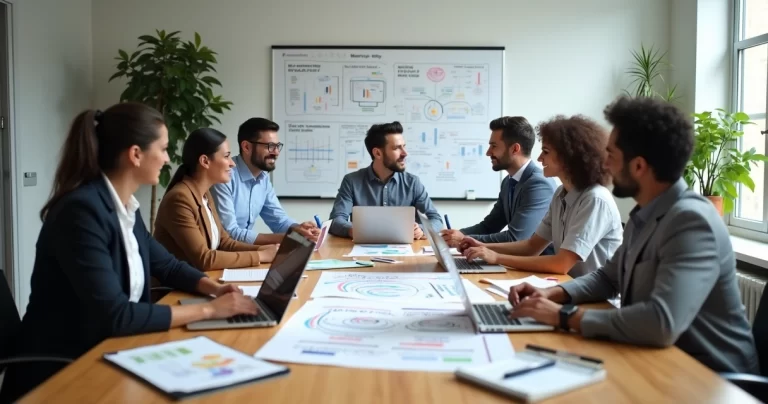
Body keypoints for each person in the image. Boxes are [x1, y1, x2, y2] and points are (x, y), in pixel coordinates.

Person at [0, 103, 261, 403]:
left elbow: (170, 266)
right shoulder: (82, 212)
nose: (167, 158)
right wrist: (210, 311)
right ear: (135, 154)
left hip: (110, 351)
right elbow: (117, 316)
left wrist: (214, 288)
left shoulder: (126, 208)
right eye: (162, 149)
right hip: (63, 371)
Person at [507, 96, 759, 374]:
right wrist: (552, 293)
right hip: (658, 359)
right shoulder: (646, 213)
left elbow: (660, 322)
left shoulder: (691, 222)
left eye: (611, 155)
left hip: (710, 377)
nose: (606, 165)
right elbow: (607, 277)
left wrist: (564, 316)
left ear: (638, 166)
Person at [459, 115, 623, 278]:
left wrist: (496, 257)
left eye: (545, 151)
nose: (539, 158)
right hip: (569, 287)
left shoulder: (595, 199)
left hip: (599, 300)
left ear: (569, 156)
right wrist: (483, 246)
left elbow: (561, 264)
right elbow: (532, 246)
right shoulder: (560, 194)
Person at [153, 128, 279, 271]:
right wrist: (260, 256)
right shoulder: (180, 199)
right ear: (205, 161)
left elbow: (225, 243)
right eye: (226, 156)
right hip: (173, 291)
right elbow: (204, 259)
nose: (232, 163)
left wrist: (263, 249)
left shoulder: (205, 194)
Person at [440, 116, 556, 254]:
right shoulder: (508, 182)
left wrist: (463, 239)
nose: (488, 152)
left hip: (538, 267)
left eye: (493, 146)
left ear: (515, 149)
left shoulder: (539, 184)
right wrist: (455, 234)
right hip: (517, 262)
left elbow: (515, 238)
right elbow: (489, 226)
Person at [210, 118, 319, 245]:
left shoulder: (263, 178)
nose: (276, 152)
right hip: (224, 255)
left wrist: (298, 230)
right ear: (246, 147)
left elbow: (279, 221)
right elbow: (230, 233)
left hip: (246, 252)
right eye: (270, 146)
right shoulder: (225, 177)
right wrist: (289, 237)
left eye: (278, 146)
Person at [328, 121, 442, 239]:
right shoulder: (351, 181)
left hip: (407, 252)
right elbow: (336, 221)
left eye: (404, 146)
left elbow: (436, 219)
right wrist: (352, 230)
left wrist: (421, 230)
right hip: (362, 250)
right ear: (377, 153)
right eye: (397, 148)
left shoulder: (412, 182)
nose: (405, 153)